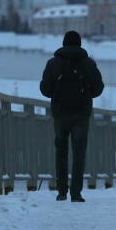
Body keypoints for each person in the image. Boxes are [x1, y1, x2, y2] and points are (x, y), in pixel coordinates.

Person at [39, 30, 104, 202]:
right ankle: (76, 193)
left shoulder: (53, 63)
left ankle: (62, 191)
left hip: (60, 114)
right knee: (79, 153)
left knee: (61, 151)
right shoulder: (88, 63)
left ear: (64, 43)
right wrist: (86, 94)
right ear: (80, 44)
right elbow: (98, 88)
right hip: (81, 114)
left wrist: (57, 92)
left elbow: (45, 89)